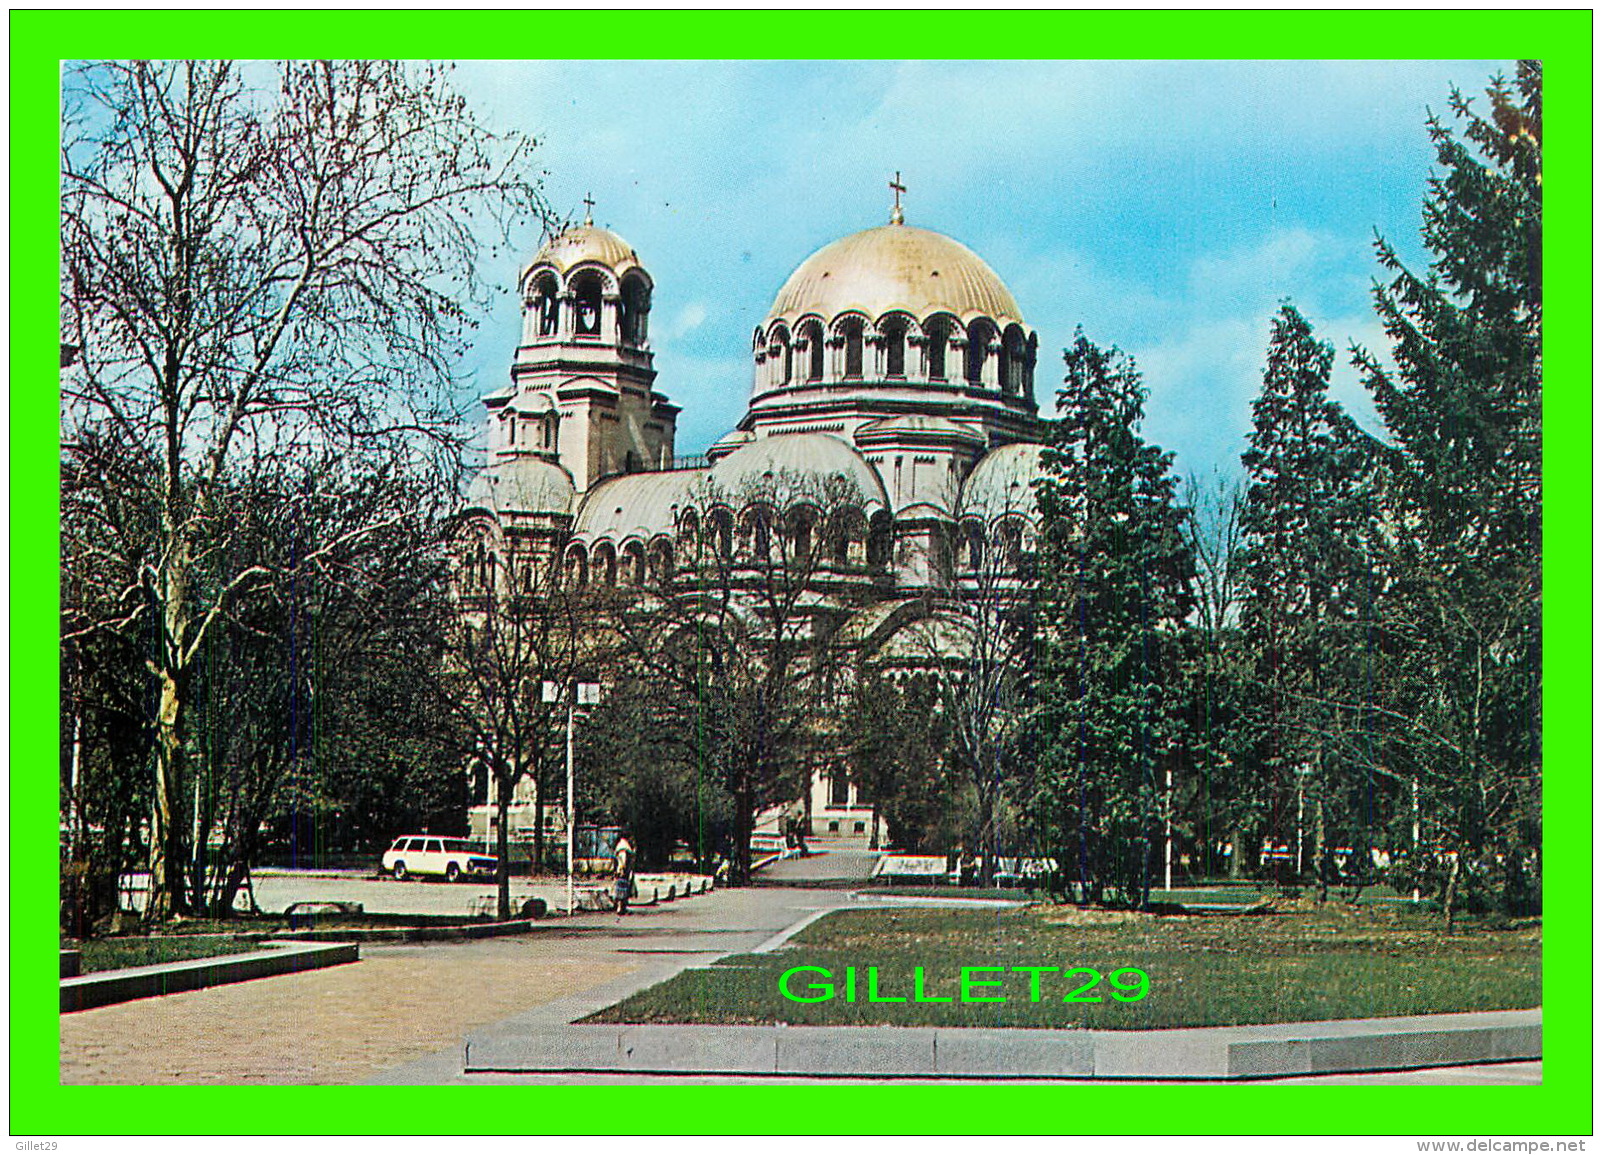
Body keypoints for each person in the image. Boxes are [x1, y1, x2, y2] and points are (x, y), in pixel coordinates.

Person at [613, 831, 637, 916]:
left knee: (623, 888)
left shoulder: (622, 845)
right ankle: (620, 908)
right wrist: (622, 868)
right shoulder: (624, 846)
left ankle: (622, 907)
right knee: (622, 889)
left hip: (623, 870)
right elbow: (622, 858)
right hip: (623, 871)